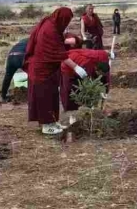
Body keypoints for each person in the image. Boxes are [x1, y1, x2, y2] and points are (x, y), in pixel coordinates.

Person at [23, 8, 90, 136]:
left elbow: (59, 44)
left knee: (52, 95)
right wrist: (76, 67)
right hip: (41, 69)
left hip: (47, 69)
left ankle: (52, 122)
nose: (66, 24)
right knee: (45, 97)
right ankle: (47, 126)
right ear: (61, 18)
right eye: (66, 21)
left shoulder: (51, 24)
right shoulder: (50, 30)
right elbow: (59, 54)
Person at [60, 45, 113, 119]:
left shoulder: (103, 58)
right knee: (71, 88)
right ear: (96, 68)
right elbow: (86, 82)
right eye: (100, 73)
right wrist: (75, 67)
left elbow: (106, 78)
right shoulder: (86, 64)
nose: (101, 75)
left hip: (82, 58)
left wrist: (105, 91)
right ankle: (71, 112)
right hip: (69, 66)